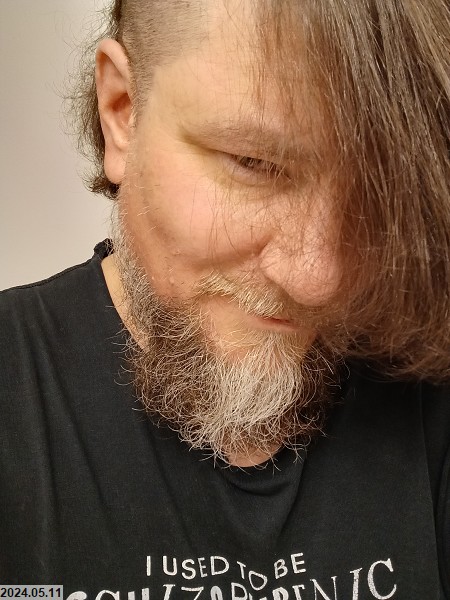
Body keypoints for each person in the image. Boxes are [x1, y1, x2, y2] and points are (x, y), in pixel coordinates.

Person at [1, 0, 449, 597]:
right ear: (123, 112)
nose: (319, 280)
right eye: (255, 164)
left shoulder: (428, 385)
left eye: (375, 187)